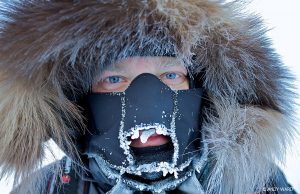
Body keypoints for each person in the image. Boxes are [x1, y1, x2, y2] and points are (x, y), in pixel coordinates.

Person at [0, 1, 297, 194]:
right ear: (78, 101)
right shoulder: (48, 188)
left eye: (170, 76)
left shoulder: (256, 183)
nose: (148, 98)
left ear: (203, 89)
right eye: (114, 79)